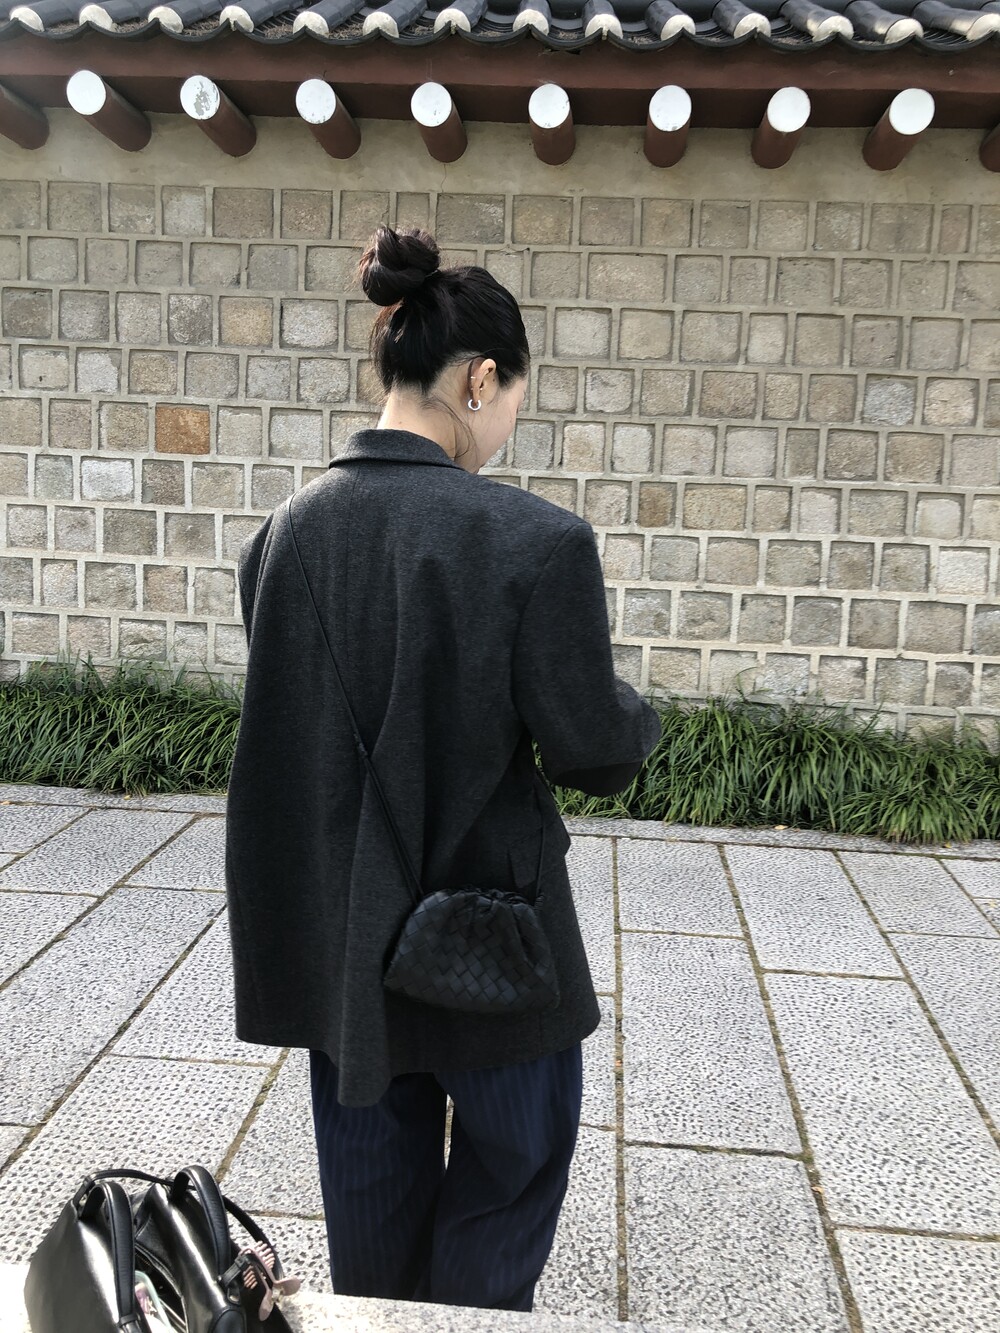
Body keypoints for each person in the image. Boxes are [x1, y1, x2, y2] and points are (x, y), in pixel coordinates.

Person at [224, 224, 662, 1313]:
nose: (509, 425)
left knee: (369, 1212)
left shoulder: (277, 540)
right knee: (510, 1179)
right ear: (478, 379)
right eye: (514, 400)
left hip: (346, 945)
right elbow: (594, 752)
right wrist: (636, 714)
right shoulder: (536, 542)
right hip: (495, 941)